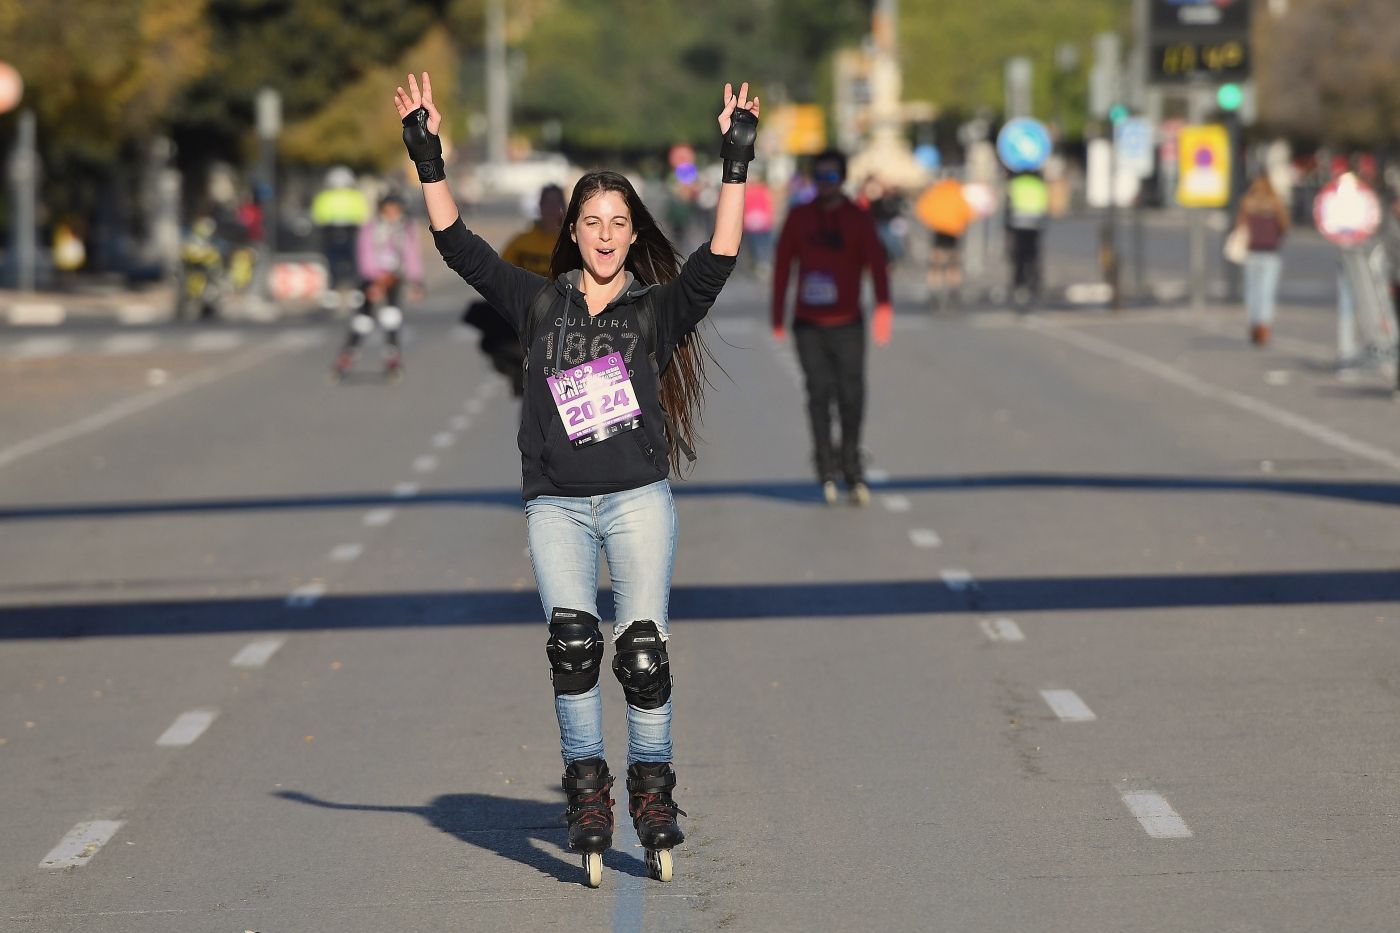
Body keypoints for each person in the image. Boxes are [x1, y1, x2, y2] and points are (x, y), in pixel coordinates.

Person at [395, 71, 757, 886]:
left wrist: (736, 161)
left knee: (642, 651)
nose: (602, 233)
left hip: (635, 501)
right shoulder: (538, 304)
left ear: (634, 235)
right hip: (556, 504)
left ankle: (653, 794)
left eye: (617, 221)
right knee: (573, 646)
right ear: (575, 231)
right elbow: (460, 248)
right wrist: (428, 156)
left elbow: (722, 254)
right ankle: (588, 792)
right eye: (590, 221)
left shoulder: (657, 311)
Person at [770, 148, 892, 507]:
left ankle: (852, 465)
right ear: (813, 181)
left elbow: (877, 265)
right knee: (819, 393)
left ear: (842, 179)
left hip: (848, 323)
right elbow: (782, 267)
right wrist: (777, 316)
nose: (826, 185)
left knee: (851, 396)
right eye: (820, 178)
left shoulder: (857, 217)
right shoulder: (799, 217)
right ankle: (825, 466)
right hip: (808, 325)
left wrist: (884, 307)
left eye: (832, 178)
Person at [464, 184, 568, 396]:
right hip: (527, 315)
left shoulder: (572, 242)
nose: (552, 208)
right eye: (547, 202)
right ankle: (520, 376)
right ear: (539, 206)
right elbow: (500, 278)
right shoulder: (522, 242)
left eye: (557, 202)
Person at [332, 193, 424, 380]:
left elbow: (411, 255)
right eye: (388, 208)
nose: (392, 212)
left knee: (391, 318)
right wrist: (374, 281)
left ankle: (392, 359)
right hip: (371, 278)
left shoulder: (405, 228)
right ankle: (347, 356)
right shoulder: (371, 228)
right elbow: (364, 254)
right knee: (363, 321)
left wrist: (417, 281)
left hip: (394, 278)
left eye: (396, 208)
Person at [1235, 175, 1289, 347]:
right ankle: (1263, 327)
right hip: (1271, 252)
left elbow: (1240, 226)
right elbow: (1284, 225)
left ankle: (1254, 323)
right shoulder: (1276, 204)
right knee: (1267, 292)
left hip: (1252, 252)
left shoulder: (1247, 203)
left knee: (1252, 291)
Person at [311, 166, 372, 314]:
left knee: (345, 261)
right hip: (339, 230)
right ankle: (344, 291)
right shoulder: (353, 196)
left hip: (342, 230)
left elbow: (317, 215)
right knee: (346, 261)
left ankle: (345, 290)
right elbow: (364, 214)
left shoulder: (328, 196)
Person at [915, 173, 973, 309]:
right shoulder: (958, 192)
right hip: (953, 230)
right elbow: (967, 211)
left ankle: (934, 289)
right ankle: (953, 290)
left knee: (936, 262)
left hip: (939, 229)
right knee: (953, 263)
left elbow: (923, 208)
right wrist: (960, 223)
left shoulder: (936, 191)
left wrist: (933, 221)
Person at [1006, 171, 1048, 309]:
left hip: (1018, 223)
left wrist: (1007, 227)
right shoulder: (1039, 184)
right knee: (1033, 255)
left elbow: (1009, 205)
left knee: (1019, 256)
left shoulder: (1015, 183)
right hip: (1035, 223)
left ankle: (1020, 284)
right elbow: (1044, 203)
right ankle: (1034, 284)